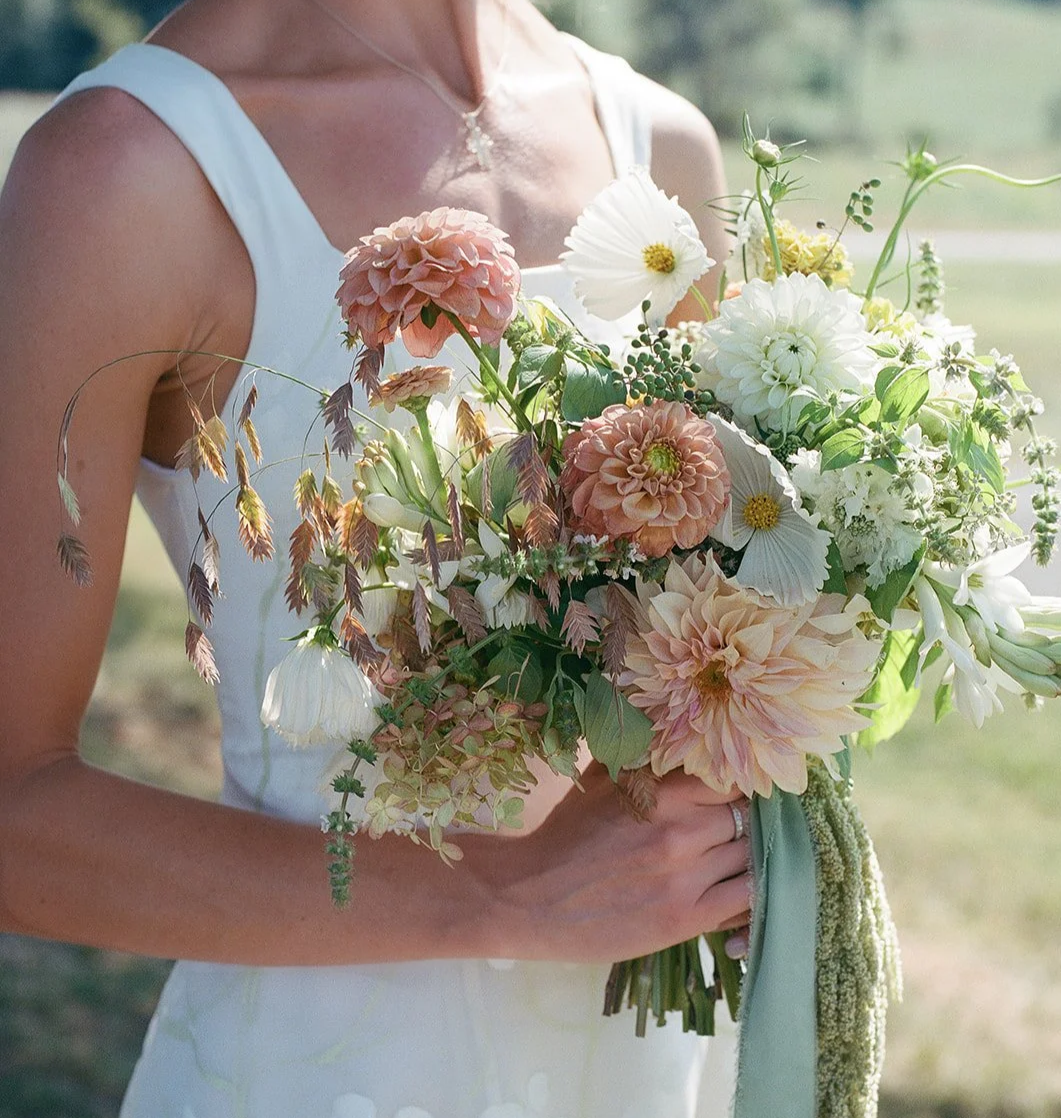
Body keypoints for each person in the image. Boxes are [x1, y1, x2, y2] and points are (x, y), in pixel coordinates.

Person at [0, 1, 750, 1115]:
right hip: (325, 1067)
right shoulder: (123, 171)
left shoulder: (660, 144)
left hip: (657, 1057)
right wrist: (503, 895)